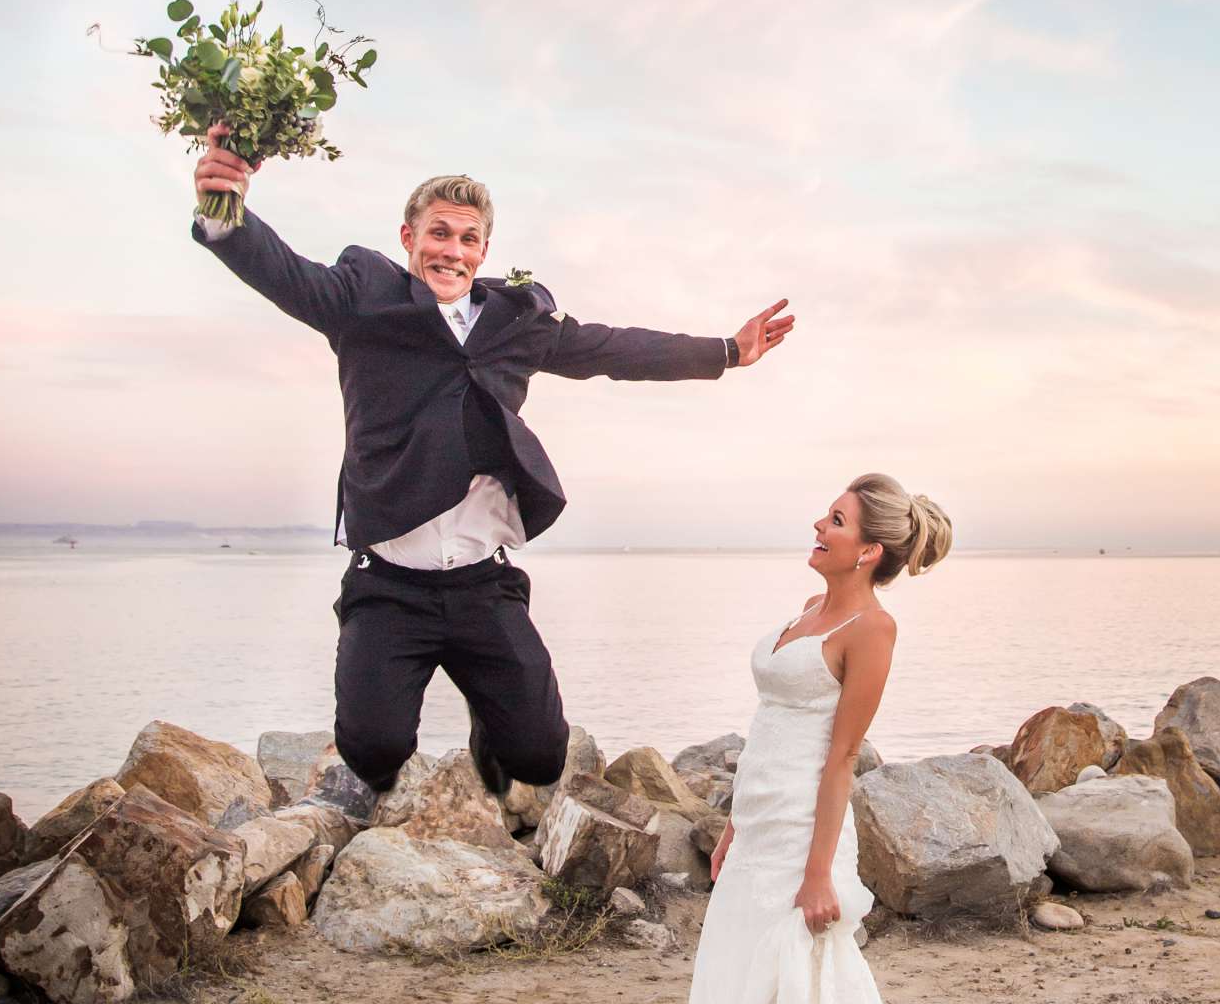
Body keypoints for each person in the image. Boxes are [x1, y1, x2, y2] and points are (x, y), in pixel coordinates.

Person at [189, 127, 794, 797]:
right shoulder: (363, 299)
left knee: (537, 759)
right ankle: (376, 740)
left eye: (467, 238)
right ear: (408, 238)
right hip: (389, 583)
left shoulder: (515, 318)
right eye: (439, 233)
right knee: (373, 748)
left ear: (484, 250)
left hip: (483, 584)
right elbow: (283, 273)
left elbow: (608, 350)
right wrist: (224, 206)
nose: (452, 249)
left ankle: (491, 727)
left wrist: (727, 352)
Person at [686, 472, 950, 1004]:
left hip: (800, 844)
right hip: (756, 832)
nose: (818, 524)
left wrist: (819, 871)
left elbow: (839, 759)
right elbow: (769, 727)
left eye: (834, 520)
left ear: (870, 548)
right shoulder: (807, 604)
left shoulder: (873, 628)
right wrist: (731, 819)